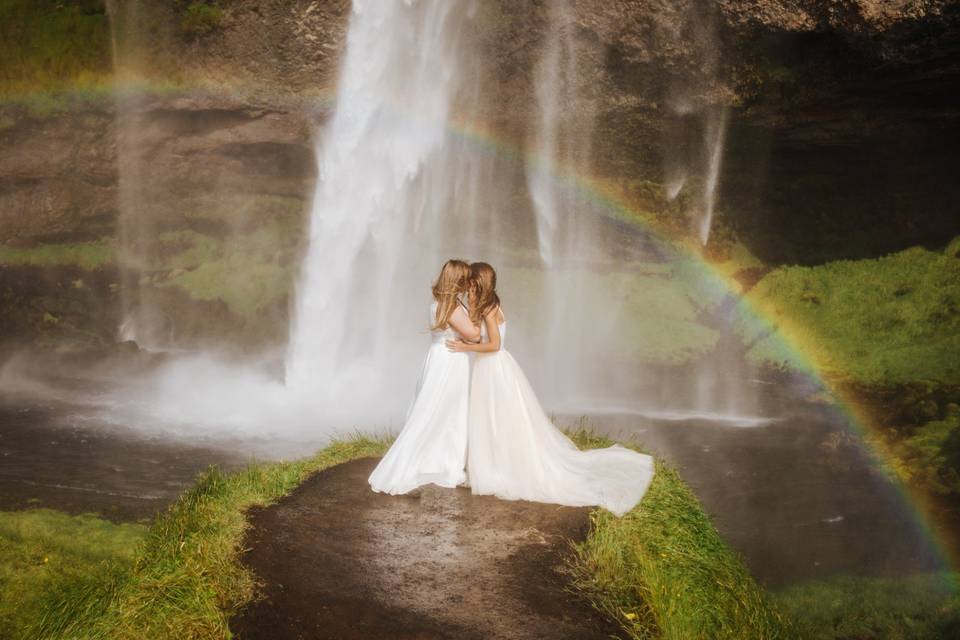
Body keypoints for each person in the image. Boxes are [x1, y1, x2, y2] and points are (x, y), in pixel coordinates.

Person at [447, 262, 654, 516]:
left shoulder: (489, 308)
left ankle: (499, 469)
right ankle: (494, 465)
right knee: (492, 419)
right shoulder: (489, 304)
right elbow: (481, 337)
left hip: (493, 367)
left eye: (470, 282)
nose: (467, 285)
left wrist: (465, 348)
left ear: (477, 282)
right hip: (489, 368)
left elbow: (495, 345)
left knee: (497, 418)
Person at [368, 259, 481, 494]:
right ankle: (442, 461)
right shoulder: (453, 307)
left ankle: (436, 458)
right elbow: (475, 335)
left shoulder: (438, 304)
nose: (470, 283)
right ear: (459, 280)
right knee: (446, 410)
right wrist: (475, 305)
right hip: (450, 361)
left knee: (436, 408)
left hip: (438, 357)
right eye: (467, 279)